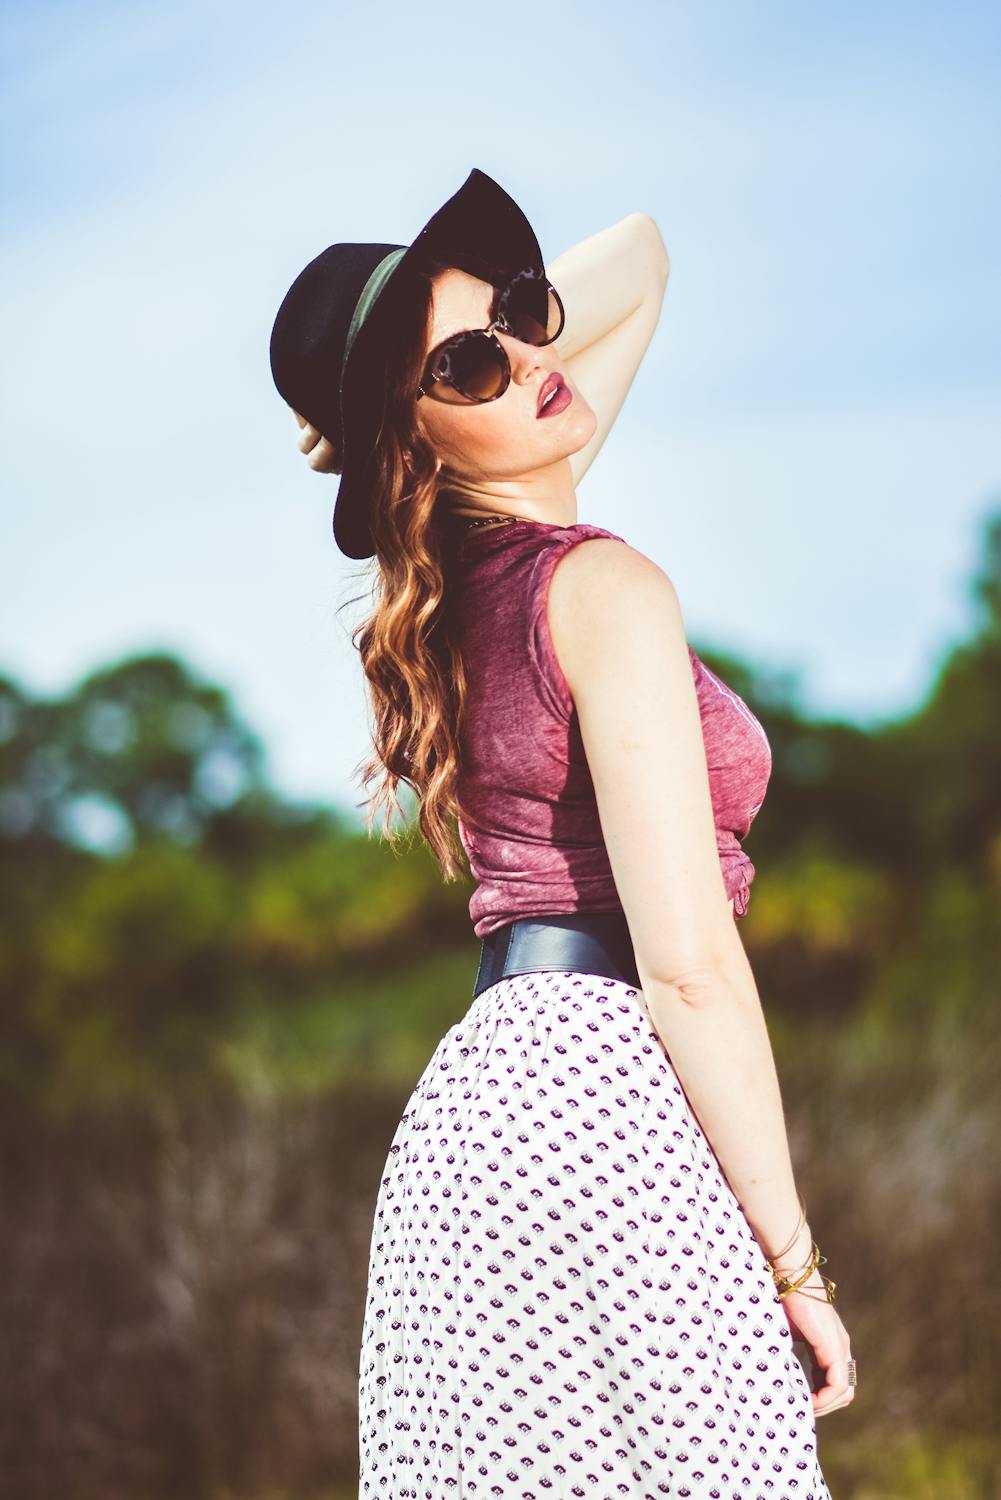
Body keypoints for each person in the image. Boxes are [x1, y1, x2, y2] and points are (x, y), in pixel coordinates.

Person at [270, 167, 854, 1498]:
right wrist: (795, 1265)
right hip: (603, 1100)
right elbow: (689, 967)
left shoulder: (469, 594)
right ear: (413, 446)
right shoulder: (600, 587)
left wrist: (438, 371)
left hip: (477, 1127)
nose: (536, 356)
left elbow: (634, 260)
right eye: (471, 366)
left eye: (528, 317)